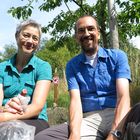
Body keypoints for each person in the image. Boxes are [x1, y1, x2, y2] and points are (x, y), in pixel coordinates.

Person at [34, 15, 131, 140]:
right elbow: (75, 101)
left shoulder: (118, 57)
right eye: (81, 30)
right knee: (43, 137)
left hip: (118, 113)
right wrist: (74, 134)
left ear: (98, 33)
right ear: (76, 37)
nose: (86, 34)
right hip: (88, 119)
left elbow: (123, 97)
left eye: (91, 29)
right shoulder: (72, 65)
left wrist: (114, 134)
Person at [0, 19, 52, 134]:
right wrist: (4, 109)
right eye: (26, 35)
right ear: (17, 36)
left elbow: (37, 107)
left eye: (35, 38)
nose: (30, 41)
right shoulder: (1, 68)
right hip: (3, 116)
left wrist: (5, 117)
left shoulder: (43, 67)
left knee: (13, 132)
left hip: (35, 120)